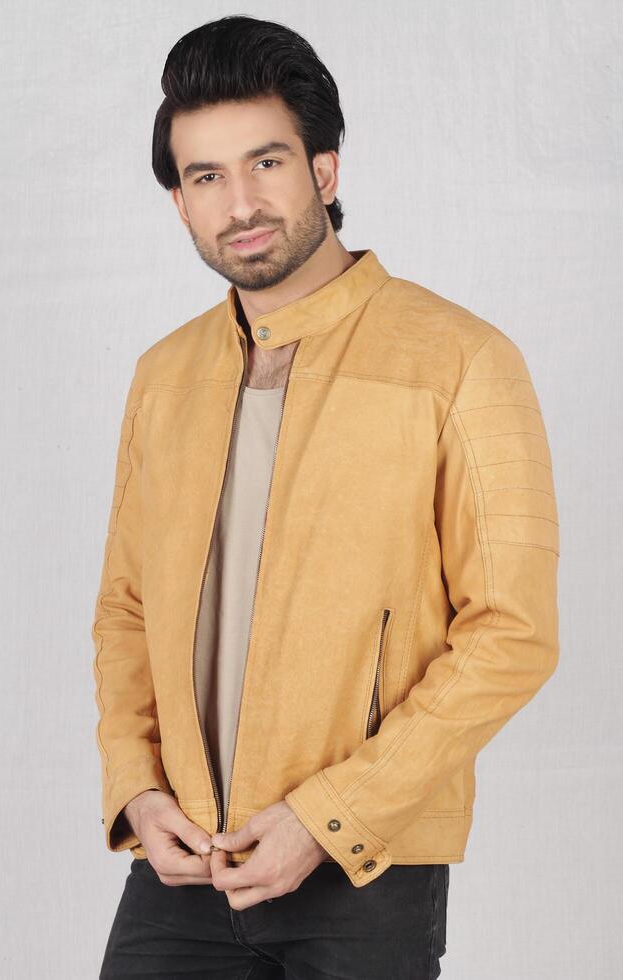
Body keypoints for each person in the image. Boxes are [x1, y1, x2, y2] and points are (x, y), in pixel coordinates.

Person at [92, 15, 560, 980]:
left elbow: (512, 630)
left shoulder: (460, 359)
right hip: (177, 873)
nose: (241, 203)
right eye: (205, 177)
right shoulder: (162, 377)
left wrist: (329, 815)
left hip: (363, 870)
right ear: (179, 204)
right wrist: (136, 790)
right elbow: (127, 609)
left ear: (325, 171)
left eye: (266, 161)